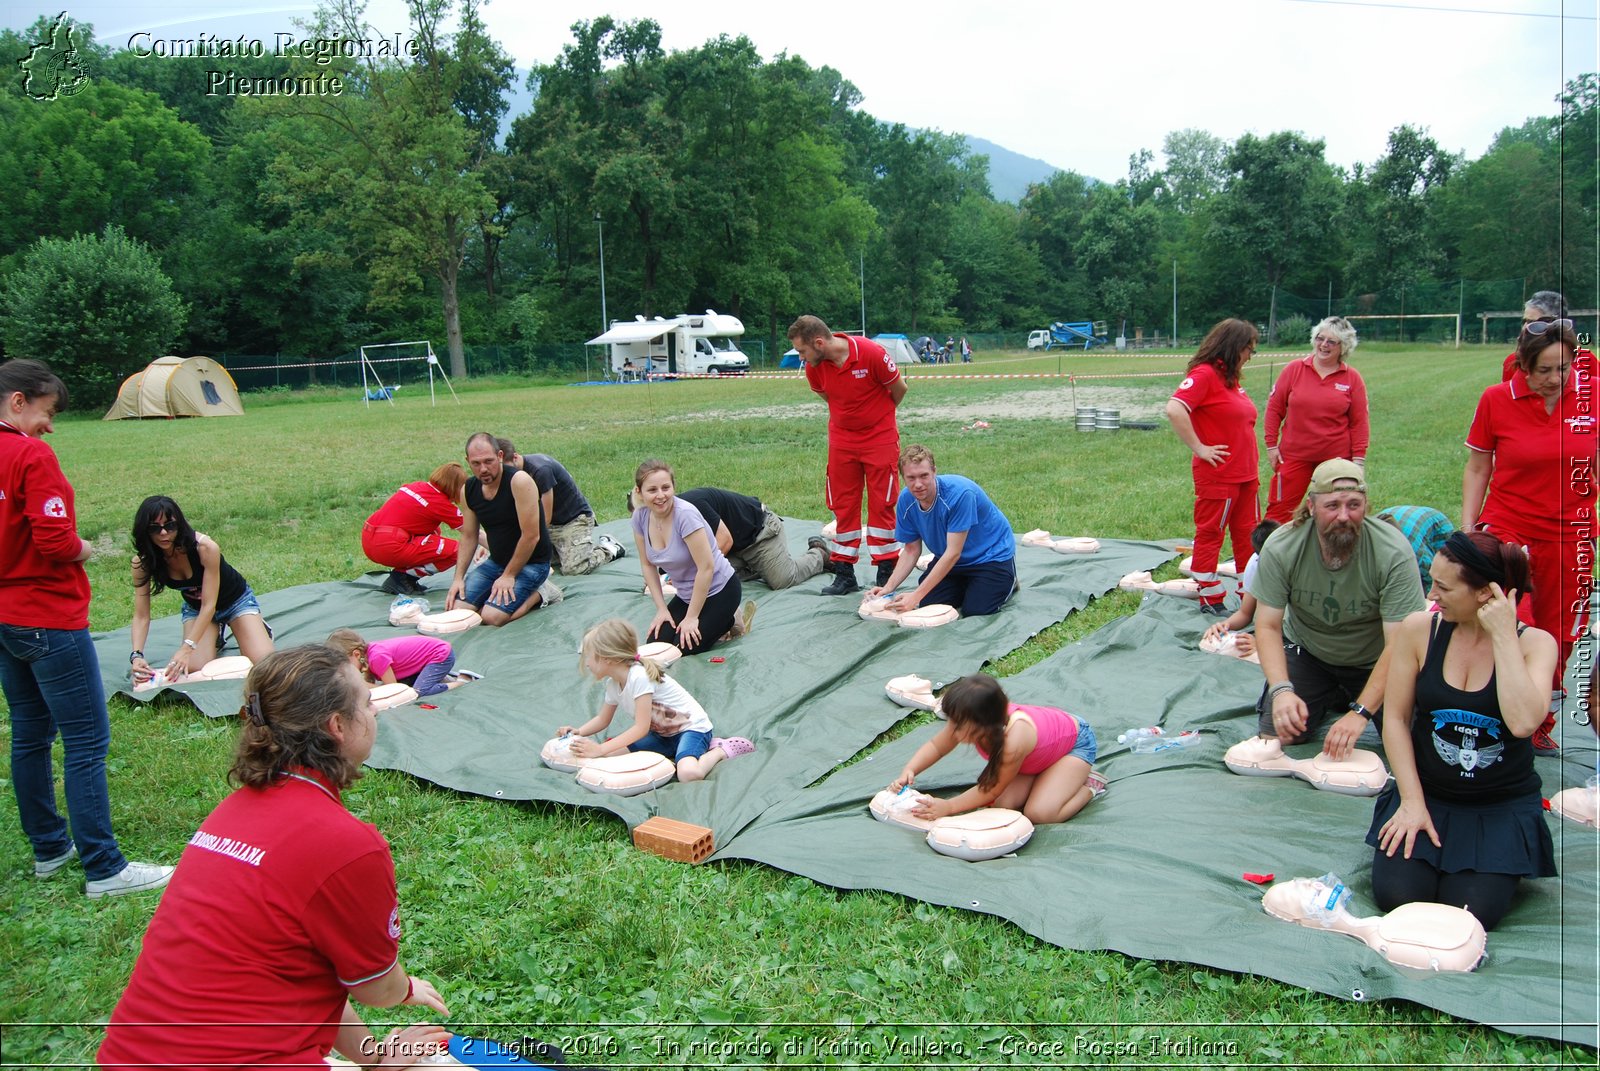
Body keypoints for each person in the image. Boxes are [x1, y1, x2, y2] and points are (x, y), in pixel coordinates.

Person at [98, 645, 453, 1068]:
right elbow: (375, 988)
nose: (374, 711)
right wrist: (406, 988)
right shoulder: (345, 844)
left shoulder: (231, 814)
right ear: (337, 725)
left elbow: (301, 973)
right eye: (366, 701)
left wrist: (375, 1059)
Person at [0, 360, 172, 899]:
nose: (50, 426)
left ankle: (50, 848)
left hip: (5, 617)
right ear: (19, 401)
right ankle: (104, 865)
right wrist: (86, 548)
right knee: (87, 739)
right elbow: (54, 542)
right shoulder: (29, 454)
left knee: (30, 732)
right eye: (47, 413)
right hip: (46, 616)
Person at [1366, 532, 1557, 931]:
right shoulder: (1420, 629)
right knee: (1397, 898)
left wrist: (1504, 634)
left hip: (1498, 807)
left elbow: (1523, 723)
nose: (1432, 595)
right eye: (1431, 581)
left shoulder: (1536, 644)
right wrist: (1411, 802)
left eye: (1444, 587)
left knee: (1469, 913)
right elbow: (1397, 720)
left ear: (1487, 593)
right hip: (1428, 795)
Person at [1464, 319, 1594, 752]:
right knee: (1514, 618)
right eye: (1545, 370)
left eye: (1565, 368)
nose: (1556, 379)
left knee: (1560, 632)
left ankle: (1539, 715)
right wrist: (1469, 529)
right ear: (1522, 365)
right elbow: (1479, 466)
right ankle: (1490, 706)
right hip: (1510, 521)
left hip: (1570, 532)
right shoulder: (1496, 399)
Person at [1251, 459, 1426, 759]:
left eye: (1354, 505)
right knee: (1278, 736)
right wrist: (1281, 690)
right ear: (1311, 506)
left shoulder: (1392, 551)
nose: (1344, 516)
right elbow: (1267, 625)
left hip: (1375, 659)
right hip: (1310, 653)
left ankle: (1347, 696)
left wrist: (1360, 712)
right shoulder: (1283, 546)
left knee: (1409, 741)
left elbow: (1400, 642)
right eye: (1332, 506)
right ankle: (1328, 693)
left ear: (1366, 506)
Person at [788, 314, 908, 595]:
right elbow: (829, 398)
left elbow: (899, 389)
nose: (801, 358)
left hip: (880, 438)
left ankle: (886, 571)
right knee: (843, 505)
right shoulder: (814, 369)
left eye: (802, 351)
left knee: (883, 503)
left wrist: (878, 417)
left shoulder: (870, 353)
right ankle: (844, 574)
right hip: (842, 442)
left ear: (819, 342)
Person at [889, 672, 1104, 825]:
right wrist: (911, 769)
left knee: (1040, 813)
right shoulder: (971, 720)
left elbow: (991, 789)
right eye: (951, 721)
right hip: (1037, 758)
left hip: (1073, 747)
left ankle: (1090, 785)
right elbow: (937, 746)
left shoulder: (1015, 740)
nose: (951, 730)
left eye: (958, 724)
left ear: (985, 724)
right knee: (1004, 805)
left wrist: (949, 806)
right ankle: (1046, 778)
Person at [558, 617, 754, 782]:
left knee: (688, 773)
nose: (587, 663)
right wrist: (578, 731)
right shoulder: (613, 684)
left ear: (607, 658)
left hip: (691, 729)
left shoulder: (639, 677)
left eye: (589, 657)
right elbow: (602, 719)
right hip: (663, 735)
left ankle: (720, 749)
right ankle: (679, 751)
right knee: (609, 757)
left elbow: (640, 728)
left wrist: (600, 748)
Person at [1164, 318, 1262, 614]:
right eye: (1249, 350)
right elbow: (1174, 408)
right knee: (1211, 532)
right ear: (1234, 347)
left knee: (1248, 533)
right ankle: (1209, 593)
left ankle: (1250, 591)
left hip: (1246, 475)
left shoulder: (1231, 380)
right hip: (1219, 475)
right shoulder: (1205, 374)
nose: (1250, 356)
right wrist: (1200, 447)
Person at [130, 495, 275, 685]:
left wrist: (186, 647)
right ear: (145, 531)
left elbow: (210, 605)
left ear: (179, 524)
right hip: (197, 608)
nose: (164, 533)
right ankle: (215, 634)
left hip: (235, 602)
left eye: (170, 526)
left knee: (265, 665)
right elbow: (141, 615)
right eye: (155, 528)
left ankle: (254, 625)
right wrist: (137, 655)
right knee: (195, 669)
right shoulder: (142, 563)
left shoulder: (205, 548)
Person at [869, 444, 1017, 617]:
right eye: (911, 478)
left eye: (924, 476)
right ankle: (968, 586)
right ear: (903, 478)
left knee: (976, 610)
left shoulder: (960, 494)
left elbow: (953, 553)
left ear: (934, 472)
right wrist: (887, 589)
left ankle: (1009, 581)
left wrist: (915, 596)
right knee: (928, 604)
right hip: (952, 562)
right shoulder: (906, 500)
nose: (918, 484)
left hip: (989, 557)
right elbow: (911, 550)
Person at [631, 460, 749, 655]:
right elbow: (647, 564)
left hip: (720, 589)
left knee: (682, 647)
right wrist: (662, 610)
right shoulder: (640, 517)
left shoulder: (685, 515)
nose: (661, 495)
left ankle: (728, 619)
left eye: (666, 488)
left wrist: (692, 617)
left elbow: (706, 568)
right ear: (639, 492)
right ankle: (713, 620)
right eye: (652, 490)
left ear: (674, 487)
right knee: (656, 644)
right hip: (687, 594)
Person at [1262, 316, 1370, 524]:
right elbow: (1274, 409)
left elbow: (1359, 422)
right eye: (1320, 338)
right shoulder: (1294, 369)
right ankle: (1269, 555)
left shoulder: (1352, 378)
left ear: (1343, 347)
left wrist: (1358, 461)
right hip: (1294, 455)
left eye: (1331, 342)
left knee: (1336, 513)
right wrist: (1271, 445)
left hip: (1336, 459)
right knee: (1278, 512)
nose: (1324, 345)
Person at [447, 433, 558, 626]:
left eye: (488, 461)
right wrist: (458, 578)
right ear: (467, 461)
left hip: (532, 563)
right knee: (457, 612)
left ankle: (542, 592)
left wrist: (508, 576)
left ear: (499, 456)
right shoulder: (469, 489)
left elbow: (531, 536)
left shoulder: (519, 482)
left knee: (491, 617)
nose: (483, 469)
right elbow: (469, 536)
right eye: (476, 463)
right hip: (496, 562)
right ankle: (497, 590)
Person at [496, 438, 625, 576]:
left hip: (573, 520)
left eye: (507, 469)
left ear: (515, 457)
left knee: (574, 568)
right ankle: (562, 551)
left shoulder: (541, 471)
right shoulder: (510, 476)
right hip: (550, 525)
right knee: (528, 558)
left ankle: (608, 549)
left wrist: (528, 539)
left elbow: (546, 516)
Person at [678, 485, 828, 590]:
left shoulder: (693, 505)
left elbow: (724, 540)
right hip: (735, 548)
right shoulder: (659, 522)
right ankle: (760, 566)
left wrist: (693, 570)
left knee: (783, 579)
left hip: (759, 533)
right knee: (718, 580)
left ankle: (819, 554)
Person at [361, 462, 469, 596]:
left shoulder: (417, 486)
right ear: (456, 487)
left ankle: (403, 577)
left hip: (369, 537)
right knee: (458, 551)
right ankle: (403, 577)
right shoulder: (440, 503)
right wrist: (498, 553)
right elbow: (472, 534)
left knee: (434, 533)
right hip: (389, 546)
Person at [1201, 518, 1281, 657]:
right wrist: (1224, 626)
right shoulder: (1256, 565)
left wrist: (1264, 642)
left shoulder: (1303, 567)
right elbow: (1245, 613)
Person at [326, 628, 467, 698]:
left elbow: (394, 688)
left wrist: (362, 685)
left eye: (345, 664)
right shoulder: (367, 658)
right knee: (408, 684)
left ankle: (461, 682)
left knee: (419, 691)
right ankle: (440, 676)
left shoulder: (376, 658)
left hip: (440, 655)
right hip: (428, 658)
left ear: (356, 654)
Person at [1498, 290, 1595, 382]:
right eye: (1524, 321)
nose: (1525, 328)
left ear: (1557, 324)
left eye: (1532, 323)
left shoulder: (1585, 360)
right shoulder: (1513, 361)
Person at [1375, 505, 1455, 592]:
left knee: (1442, 571)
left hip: (1438, 524)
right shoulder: (1368, 544)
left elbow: (1431, 576)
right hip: (1399, 517)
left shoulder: (1414, 554)